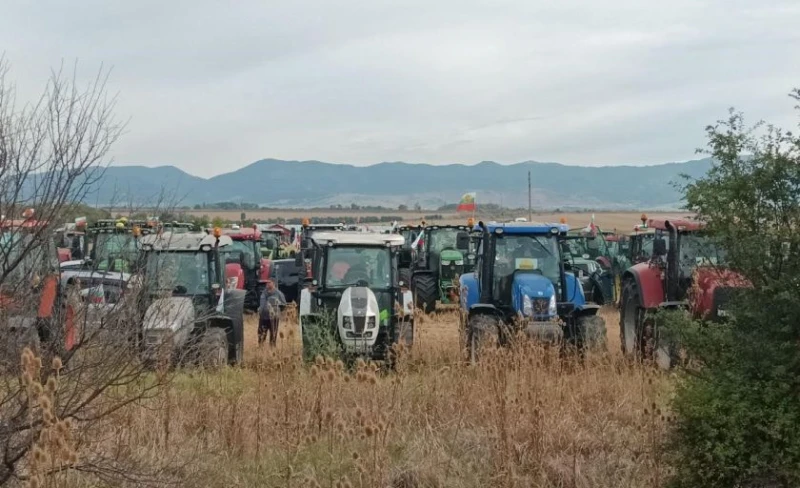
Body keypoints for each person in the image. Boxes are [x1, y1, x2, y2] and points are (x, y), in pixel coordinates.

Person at [258, 279, 286, 347]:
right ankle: (261, 348)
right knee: (261, 334)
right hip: (263, 317)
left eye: (269, 282)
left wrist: (276, 310)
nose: (267, 284)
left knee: (273, 335)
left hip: (274, 318)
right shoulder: (263, 293)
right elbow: (261, 304)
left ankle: (272, 349)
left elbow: (284, 304)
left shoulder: (279, 293)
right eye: (266, 283)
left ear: (273, 283)